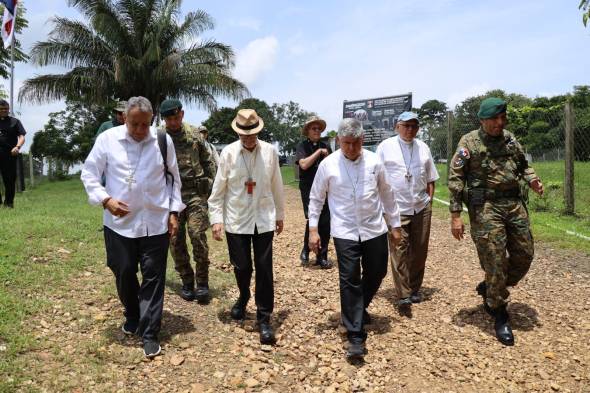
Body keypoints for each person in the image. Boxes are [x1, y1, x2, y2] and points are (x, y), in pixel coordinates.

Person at [81, 96, 184, 358]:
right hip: (119, 223)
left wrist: (174, 212)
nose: (139, 130)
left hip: (155, 222)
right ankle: (132, 313)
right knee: (124, 271)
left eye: (144, 125)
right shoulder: (108, 140)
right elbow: (89, 173)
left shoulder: (162, 140)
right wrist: (106, 200)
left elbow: (173, 178)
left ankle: (149, 333)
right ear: (124, 118)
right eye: (134, 124)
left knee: (154, 277)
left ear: (152, 121)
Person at [448, 97, 544, 346]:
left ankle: (492, 284)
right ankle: (498, 311)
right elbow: (456, 178)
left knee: (525, 253)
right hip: (485, 206)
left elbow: (524, 164)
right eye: (494, 119)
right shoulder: (469, 142)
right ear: (482, 120)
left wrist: (532, 180)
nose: (499, 123)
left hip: (513, 203)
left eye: (502, 118)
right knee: (495, 258)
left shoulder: (510, 138)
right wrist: (456, 215)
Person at [308, 118, 401, 361]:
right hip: (345, 231)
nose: (350, 148)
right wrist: (313, 230)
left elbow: (387, 194)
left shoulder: (374, 161)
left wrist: (396, 224)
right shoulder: (328, 165)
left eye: (355, 143)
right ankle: (355, 335)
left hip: (373, 228)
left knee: (378, 270)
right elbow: (316, 198)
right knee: (349, 278)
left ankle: (357, 308)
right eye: (346, 143)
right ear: (339, 140)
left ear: (362, 140)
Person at [208, 109, 284, 345]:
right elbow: (218, 191)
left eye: (252, 134)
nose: (248, 139)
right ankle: (243, 295)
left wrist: (279, 215)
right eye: (244, 135)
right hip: (237, 218)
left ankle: (264, 318)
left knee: (264, 268)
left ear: (259, 131)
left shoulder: (270, 152)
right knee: (241, 266)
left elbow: (277, 185)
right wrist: (216, 219)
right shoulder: (229, 153)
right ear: (238, 133)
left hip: (263, 217)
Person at [376, 112, 439, 308]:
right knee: (399, 249)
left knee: (420, 250)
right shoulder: (385, 147)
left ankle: (414, 287)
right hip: (396, 208)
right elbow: (376, 178)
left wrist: (429, 201)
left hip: (421, 206)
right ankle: (403, 294)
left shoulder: (423, 147)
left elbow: (430, 178)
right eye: (406, 125)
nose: (410, 130)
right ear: (397, 126)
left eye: (414, 126)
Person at [159, 99, 217, 303]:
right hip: (170, 195)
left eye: (175, 118)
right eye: (168, 119)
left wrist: (210, 188)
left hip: (195, 193)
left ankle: (202, 283)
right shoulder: (158, 137)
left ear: (181, 115)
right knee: (175, 239)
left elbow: (208, 161)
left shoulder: (195, 135)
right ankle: (186, 281)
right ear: (163, 119)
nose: (173, 122)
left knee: (197, 233)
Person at [295, 115, 332, 268]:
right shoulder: (302, 146)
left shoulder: (326, 146)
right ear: (307, 131)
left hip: (325, 188)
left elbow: (332, 164)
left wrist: (325, 152)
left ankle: (321, 256)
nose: (317, 131)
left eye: (319, 128)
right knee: (313, 218)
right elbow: (303, 165)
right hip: (308, 187)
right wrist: (318, 153)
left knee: (325, 220)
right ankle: (307, 249)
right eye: (313, 128)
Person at [0, 100, 26, 208]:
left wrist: (18, 146)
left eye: (6, 108)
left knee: (9, 180)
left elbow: (22, 136)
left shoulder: (15, 121)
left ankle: (9, 203)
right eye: (1, 109)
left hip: (9, 155)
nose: (4, 110)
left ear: (8, 108)